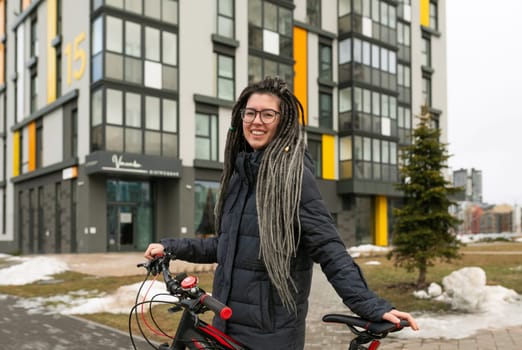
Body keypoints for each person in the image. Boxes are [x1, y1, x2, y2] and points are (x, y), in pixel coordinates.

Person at [144, 76, 418, 349]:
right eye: (250, 113)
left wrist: (369, 305)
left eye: (268, 114)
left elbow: (329, 248)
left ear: (283, 121)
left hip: (270, 335)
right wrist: (171, 247)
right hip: (226, 326)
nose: (256, 121)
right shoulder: (238, 179)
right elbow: (226, 246)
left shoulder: (294, 179)